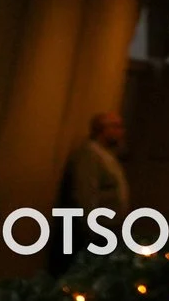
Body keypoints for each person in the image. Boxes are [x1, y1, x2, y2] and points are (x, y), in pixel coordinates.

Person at [48, 113, 128, 272]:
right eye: (115, 127)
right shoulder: (90, 154)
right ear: (102, 130)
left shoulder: (108, 156)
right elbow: (85, 193)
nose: (121, 132)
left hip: (108, 229)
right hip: (95, 230)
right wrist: (90, 228)